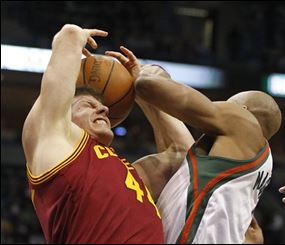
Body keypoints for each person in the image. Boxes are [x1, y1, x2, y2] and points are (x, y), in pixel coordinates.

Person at [21, 24, 176, 244]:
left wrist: (143, 91)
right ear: (64, 113)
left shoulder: (132, 175)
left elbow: (181, 154)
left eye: (103, 107)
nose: (104, 109)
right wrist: (76, 37)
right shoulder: (52, 140)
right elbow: (69, 34)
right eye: (87, 104)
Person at [106, 48, 276, 244]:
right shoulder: (241, 171)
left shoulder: (243, 122)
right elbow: (178, 148)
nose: (222, 105)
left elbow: (149, 85)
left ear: (242, 111)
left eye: (229, 103)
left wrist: (153, 72)